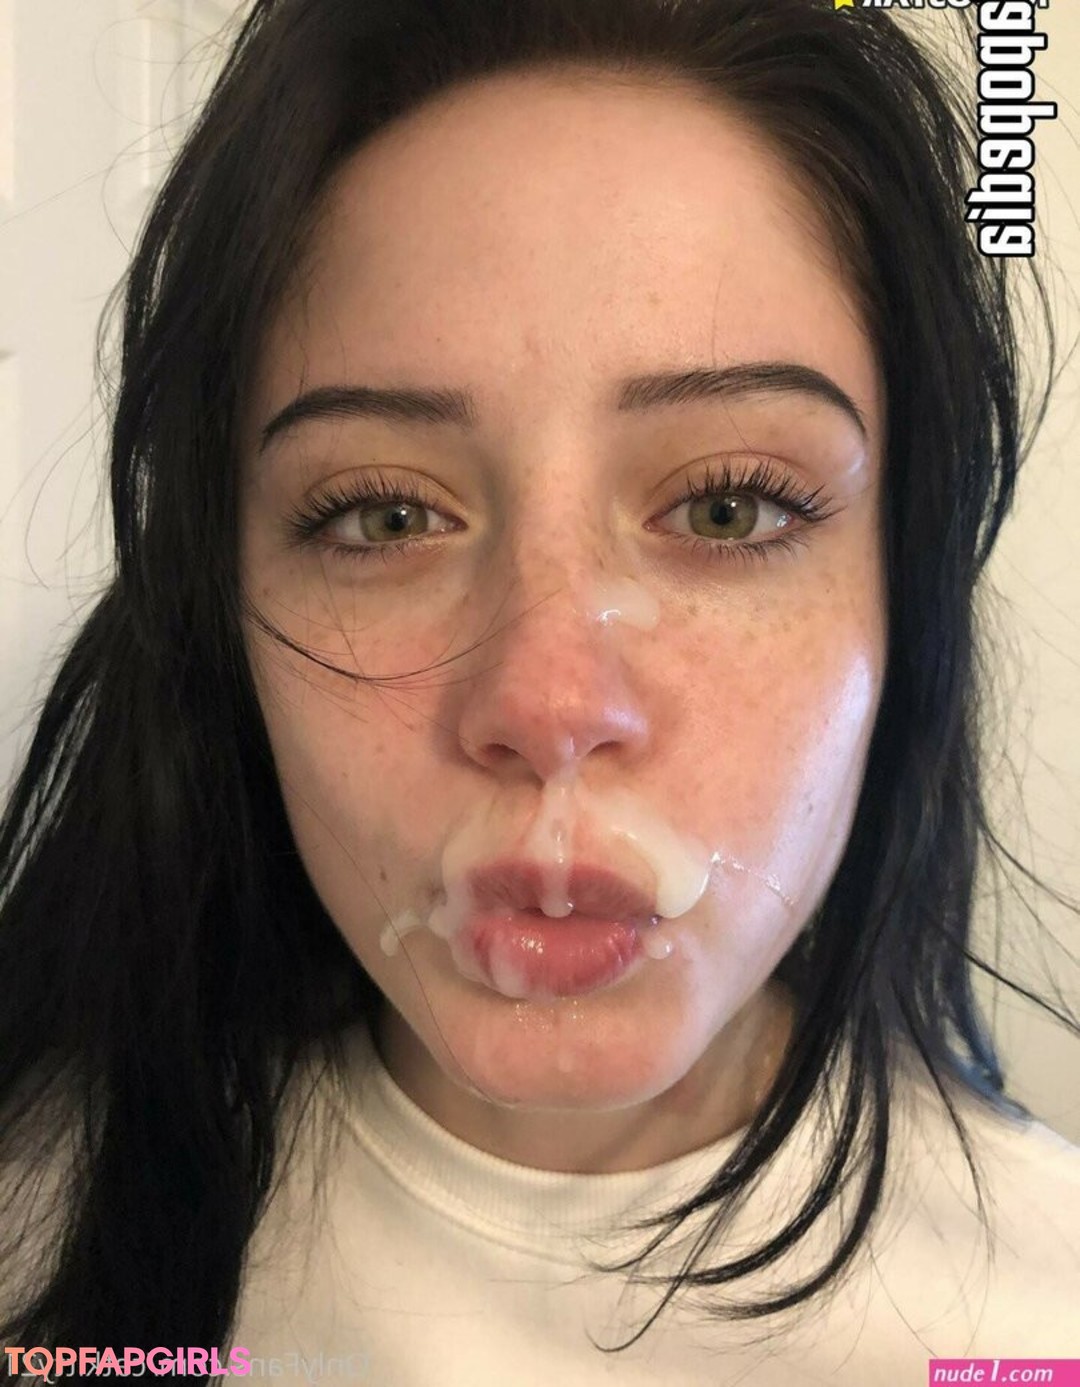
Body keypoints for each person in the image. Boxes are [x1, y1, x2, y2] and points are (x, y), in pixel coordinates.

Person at [1, 0, 1077, 1381]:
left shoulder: (1046, 1326)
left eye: (732, 506)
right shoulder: (39, 1253)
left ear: (902, 602)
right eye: (385, 516)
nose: (551, 704)